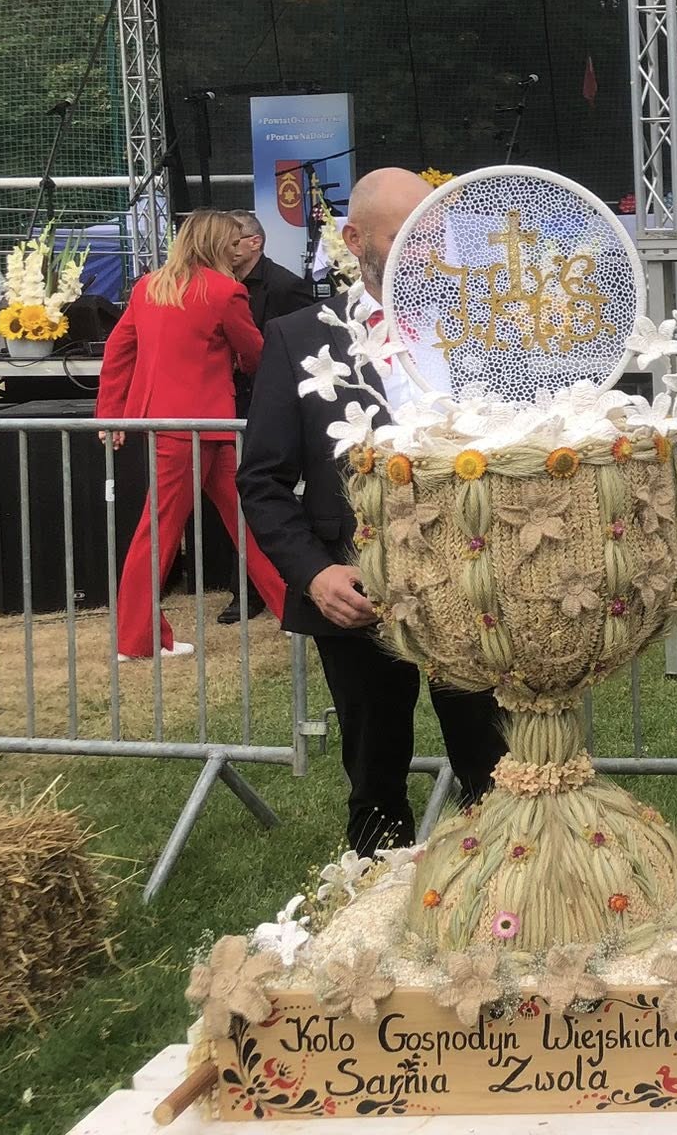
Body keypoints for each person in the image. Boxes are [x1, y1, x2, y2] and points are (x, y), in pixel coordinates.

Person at [238, 168, 506, 856]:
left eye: (435, 234)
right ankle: (375, 892)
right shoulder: (298, 337)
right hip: (355, 590)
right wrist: (314, 575)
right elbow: (262, 481)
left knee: (494, 764)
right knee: (375, 771)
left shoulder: (484, 326)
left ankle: (501, 887)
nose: (426, 251)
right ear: (355, 241)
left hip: (471, 583)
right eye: (406, 236)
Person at [98, 210, 290, 661]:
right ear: (215, 244)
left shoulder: (149, 287)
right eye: (232, 242)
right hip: (202, 425)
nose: (238, 249)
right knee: (164, 530)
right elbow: (255, 354)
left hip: (173, 425)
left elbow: (118, 351)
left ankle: (294, 608)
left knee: (249, 517)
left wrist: (111, 414)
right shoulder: (225, 291)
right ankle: (136, 640)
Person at [220, 210, 315, 625]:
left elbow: (303, 350)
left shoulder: (286, 286)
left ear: (254, 242)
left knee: (265, 495)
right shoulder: (223, 284)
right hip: (234, 404)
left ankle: (272, 586)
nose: (226, 246)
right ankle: (242, 590)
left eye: (233, 239)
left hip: (271, 406)